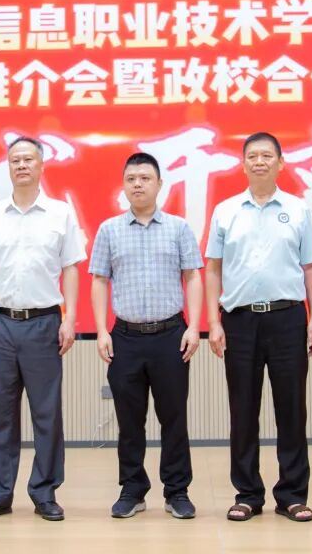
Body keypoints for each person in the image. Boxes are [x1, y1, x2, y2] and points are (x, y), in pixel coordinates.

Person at [205, 132, 312, 523]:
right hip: (239, 320)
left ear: (280, 163)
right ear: (243, 164)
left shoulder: (298, 209)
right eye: (252, 156)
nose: (259, 161)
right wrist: (213, 322)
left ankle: (292, 495)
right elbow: (213, 269)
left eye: (267, 155)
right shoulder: (225, 211)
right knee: (243, 409)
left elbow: (311, 267)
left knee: (292, 408)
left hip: (287, 318)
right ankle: (247, 494)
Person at [0, 136, 86, 522]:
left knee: (46, 413)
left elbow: (71, 267)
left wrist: (70, 318)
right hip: (1, 322)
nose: (22, 165)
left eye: (28, 159)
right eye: (15, 160)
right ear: (8, 167)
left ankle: (44, 492)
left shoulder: (60, 214)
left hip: (43, 322)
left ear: (41, 165)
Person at [90, 152, 203, 520]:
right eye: (131, 179)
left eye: (145, 178)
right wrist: (101, 331)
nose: (137, 184)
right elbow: (99, 280)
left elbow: (193, 276)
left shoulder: (179, 228)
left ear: (159, 184)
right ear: (124, 185)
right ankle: (132, 489)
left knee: (174, 418)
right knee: (129, 420)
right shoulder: (109, 230)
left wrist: (194, 326)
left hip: (171, 335)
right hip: (124, 337)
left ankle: (177, 491)